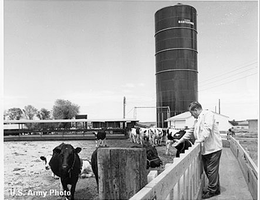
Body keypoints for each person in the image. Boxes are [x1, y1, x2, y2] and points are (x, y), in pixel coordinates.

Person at [173, 101, 222, 199]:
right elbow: (190, 131)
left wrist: (199, 141)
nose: (192, 115)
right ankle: (215, 188)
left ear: (196, 110)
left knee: (211, 170)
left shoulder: (208, 115)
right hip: (206, 149)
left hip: (213, 148)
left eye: (192, 113)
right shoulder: (197, 120)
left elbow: (207, 129)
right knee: (210, 170)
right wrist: (180, 141)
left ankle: (213, 191)